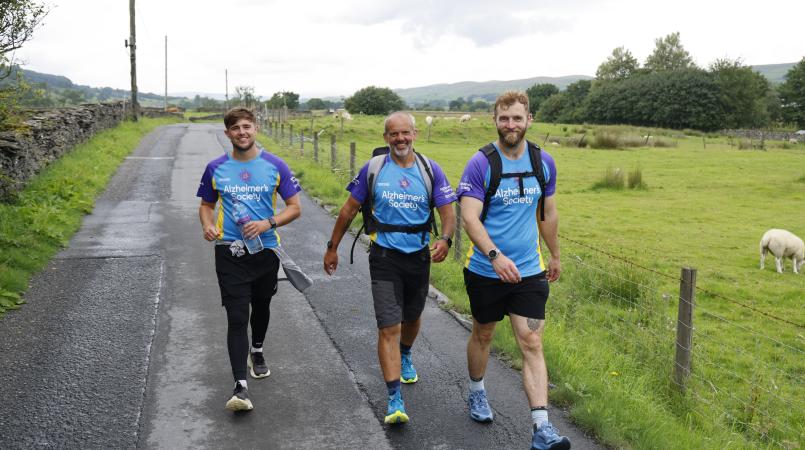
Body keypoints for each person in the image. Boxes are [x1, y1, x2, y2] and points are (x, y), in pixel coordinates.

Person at [323, 111, 456, 424]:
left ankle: (406, 353)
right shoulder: (374, 169)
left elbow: (448, 213)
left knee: (412, 317)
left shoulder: (430, 169)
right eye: (394, 134)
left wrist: (446, 240)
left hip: (419, 257)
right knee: (388, 326)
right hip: (384, 256)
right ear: (386, 138)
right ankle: (394, 399)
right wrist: (332, 248)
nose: (400, 139)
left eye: (405, 133)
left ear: (414, 134)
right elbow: (348, 210)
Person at [456, 91, 570, 450]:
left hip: (529, 272)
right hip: (486, 270)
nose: (511, 125)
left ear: (529, 120)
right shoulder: (481, 163)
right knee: (484, 335)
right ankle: (476, 391)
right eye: (504, 119)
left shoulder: (543, 162)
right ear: (495, 120)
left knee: (532, 341)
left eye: (517, 118)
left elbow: (547, 213)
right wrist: (494, 256)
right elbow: (469, 216)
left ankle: (542, 428)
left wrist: (554, 254)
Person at [197, 107, 301, 412]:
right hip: (229, 251)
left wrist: (269, 223)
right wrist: (207, 224)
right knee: (237, 315)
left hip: (265, 250)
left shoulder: (275, 165)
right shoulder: (215, 168)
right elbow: (206, 205)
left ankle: (257, 349)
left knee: (262, 305)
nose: (242, 132)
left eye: (247, 126)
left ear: (255, 128)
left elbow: (294, 207)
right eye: (235, 128)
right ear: (228, 133)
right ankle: (240, 387)